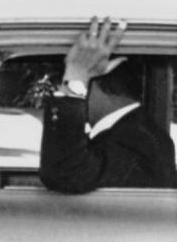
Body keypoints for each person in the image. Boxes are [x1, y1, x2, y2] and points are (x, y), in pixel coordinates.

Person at [39, 16, 177, 193]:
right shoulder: (136, 131)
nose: (60, 88)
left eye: (63, 83)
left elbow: (64, 174)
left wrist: (77, 75)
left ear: (96, 86)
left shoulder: (134, 139)